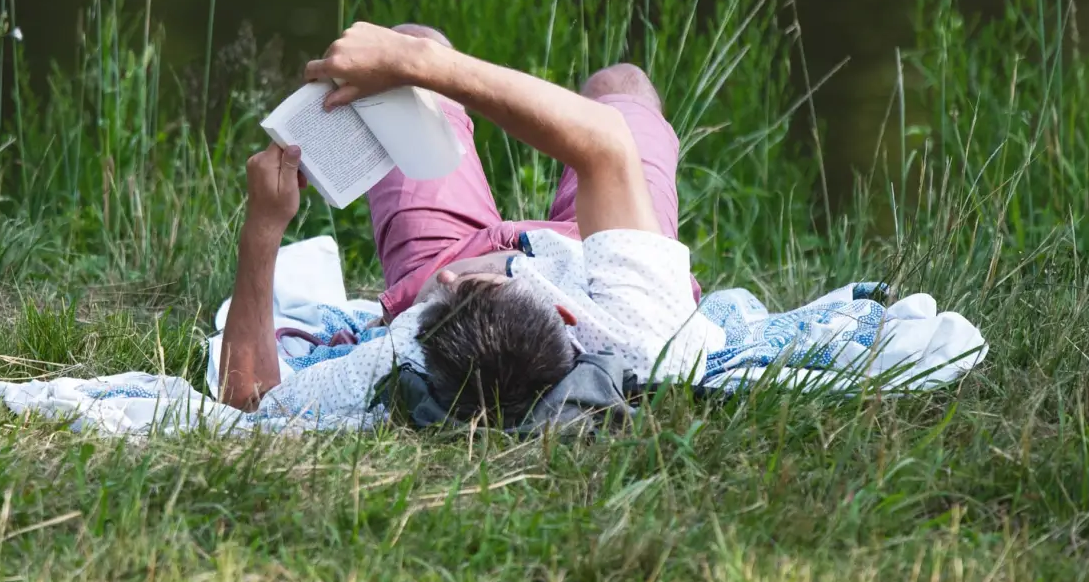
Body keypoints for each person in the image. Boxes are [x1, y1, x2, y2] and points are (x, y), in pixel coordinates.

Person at [217, 22, 726, 426]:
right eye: (478, 285)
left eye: (447, 299)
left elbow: (249, 400)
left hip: (448, 247)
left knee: (409, 45)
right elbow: (604, 138)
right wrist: (423, 64)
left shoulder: (405, 353)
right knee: (622, 85)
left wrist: (262, 227)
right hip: (591, 253)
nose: (449, 280)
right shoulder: (645, 335)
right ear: (564, 315)